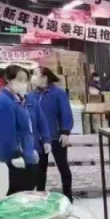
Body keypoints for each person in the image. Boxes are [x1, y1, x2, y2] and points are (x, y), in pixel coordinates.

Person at [0, 64, 39, 195]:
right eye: (19, 79)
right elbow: (5, 132)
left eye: (25, 80)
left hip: (25, 149)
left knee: (24, 186)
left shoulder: (16, 98)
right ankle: (9, 208)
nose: (23, 83)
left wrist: (31, 149)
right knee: (21, 189)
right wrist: (15, 155)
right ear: (8, 79)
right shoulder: (5, 101)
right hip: (17, 152)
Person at [32, 67, 74, 201]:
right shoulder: (32, 95)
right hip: (39, 139)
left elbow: (66, 113)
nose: (32, 77)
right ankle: (40, 197)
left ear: (44, 78)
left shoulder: (58, 93)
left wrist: (65, 131)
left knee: (63, 167)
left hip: (56, 137)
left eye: (35, 74)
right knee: (40, 169)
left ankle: (68, 197)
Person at [23, 72, 51, 192]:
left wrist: (46, 140)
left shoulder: (32, 100)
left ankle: (40, 196)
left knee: (40, 175)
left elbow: (42, 122)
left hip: (36, 146)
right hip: (19, 150)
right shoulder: (6, 102)